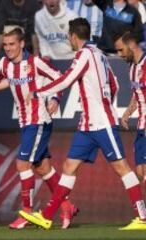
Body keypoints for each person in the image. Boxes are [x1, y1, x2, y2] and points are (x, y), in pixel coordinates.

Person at [20, 18, 146, 230]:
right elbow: (113, 83)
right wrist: (104, 99)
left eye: (69, 36)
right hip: (87, 125)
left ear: (72, 36)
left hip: (101, 122)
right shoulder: (99, 54)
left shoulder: (85, 54)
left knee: (121, 167)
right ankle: (48, 216)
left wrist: (39, 92)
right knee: (69, 167)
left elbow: (66, 79)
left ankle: (142, 216)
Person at [0, 25, 78, 229]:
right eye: (5, 44)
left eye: (12, 44)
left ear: (22, 44)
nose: (8, 48)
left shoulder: (36, 63)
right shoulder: (5, 64)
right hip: (25, 122)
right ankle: (67, 205)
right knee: (43, 167)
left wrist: (56, 99)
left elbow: (60, 79)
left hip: (39, 120)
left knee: (22, 164)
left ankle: (27, 213)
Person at [115, 31, 146, 187]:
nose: (119, 54)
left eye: (121, 50)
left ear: (132, 45)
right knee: (140, 172)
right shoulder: (132, 68)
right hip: (141, 126)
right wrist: (127, 113)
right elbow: (137, 93)